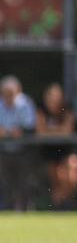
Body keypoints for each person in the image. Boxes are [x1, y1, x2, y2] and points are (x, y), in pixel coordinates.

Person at [36, 83, 77, 209]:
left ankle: (65, 202)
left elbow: (67, 132)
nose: (53, 101)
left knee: (71, 176)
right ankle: (59, 206)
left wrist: (50, 131)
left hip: (67, 148)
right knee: (56, 179)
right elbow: (41, 132)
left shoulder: (67, 108)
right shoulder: (41, 109)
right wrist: (58, 131)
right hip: (49, 149)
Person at [0, 75, 37, 211]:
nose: (8, 97)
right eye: (6, 94)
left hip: (23, 150)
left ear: (18, 91)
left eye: (11, 93)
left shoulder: (26, 104)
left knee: (24, 182)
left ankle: (25, 209)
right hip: (4, 150)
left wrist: (14, 132)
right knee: (5, 183)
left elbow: (29, 127)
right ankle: (6, 209)